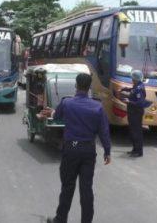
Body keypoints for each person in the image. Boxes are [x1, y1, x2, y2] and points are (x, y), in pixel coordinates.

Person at [40, 73, 111, 223]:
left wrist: (50, 112)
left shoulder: (67, 103)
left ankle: (60, 219)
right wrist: (107, 151)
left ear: (76, 86)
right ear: (89, 87)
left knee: (67, 186)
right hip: (88, 151)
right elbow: (104, 132)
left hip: (70, 151)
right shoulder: (98, 107)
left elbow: (57, 115)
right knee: (86, 189)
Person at [121, 70, 148, 158]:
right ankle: (134, 149)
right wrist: (125, 88)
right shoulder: (136, 86)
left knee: (136, 132)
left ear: (136, 79)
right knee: (132, 131)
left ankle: (138, 151)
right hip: (132, 112)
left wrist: (129, 101)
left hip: (136, 112)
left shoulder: (139, 88)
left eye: (132, 78)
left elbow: (140, 103)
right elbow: (132, 90)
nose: (131, 80)